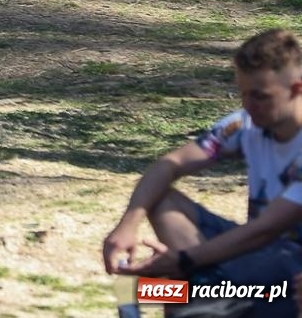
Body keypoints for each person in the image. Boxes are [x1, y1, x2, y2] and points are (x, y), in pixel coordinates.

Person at [103, 29, 302, 317]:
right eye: (243, 93)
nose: (248, 105)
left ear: (296, 89)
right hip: (256, 255)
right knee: (161, 200)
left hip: (289, 266)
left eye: (260, 96)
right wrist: (127, 224)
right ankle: (198, 293)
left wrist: (183, 260)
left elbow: (266, 229)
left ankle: (187, 294)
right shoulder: (246, 124)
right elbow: (170, 164)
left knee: (191, 290)